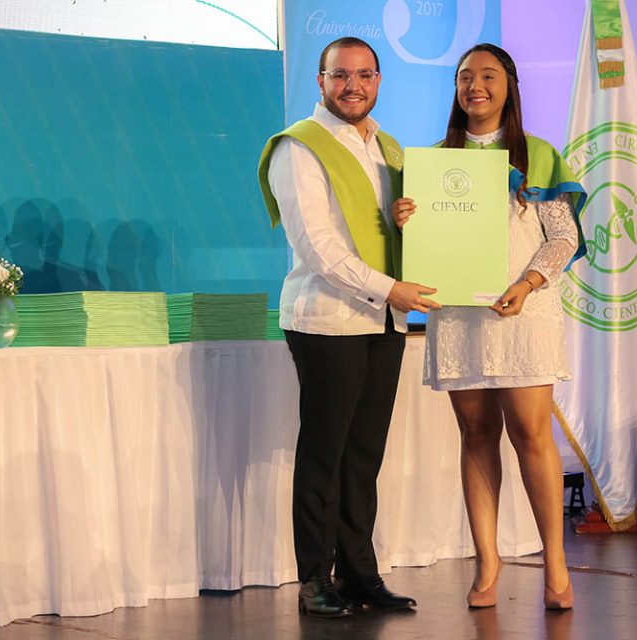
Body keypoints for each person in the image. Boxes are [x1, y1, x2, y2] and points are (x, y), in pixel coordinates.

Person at [392, 43, 585, 611]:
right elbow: (419, 245)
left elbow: (564, 238)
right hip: (461, 316)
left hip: (522, 311)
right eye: (464, 77)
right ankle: (487, 561)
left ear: (509, 86)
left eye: (488, 76)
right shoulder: (432, 162)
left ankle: (555, 562)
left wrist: (528, 283)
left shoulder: (538, 155)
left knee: (531, 434)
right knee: (475, 435)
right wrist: (403, 221)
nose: (475, 86)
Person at [257, 37, 439, 618]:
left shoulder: (388, 147)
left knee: (364, 454)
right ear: (321, 80)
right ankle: (315, 578)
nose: (352, 86)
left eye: (364, 75)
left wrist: (410, 222)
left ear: (379, 80)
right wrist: (391, 289)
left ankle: (359, 575)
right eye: (340, 75)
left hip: (383, 317)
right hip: (327, 318)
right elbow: (317, 247)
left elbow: (388, 230)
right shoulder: (299, 147)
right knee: (325, 453)